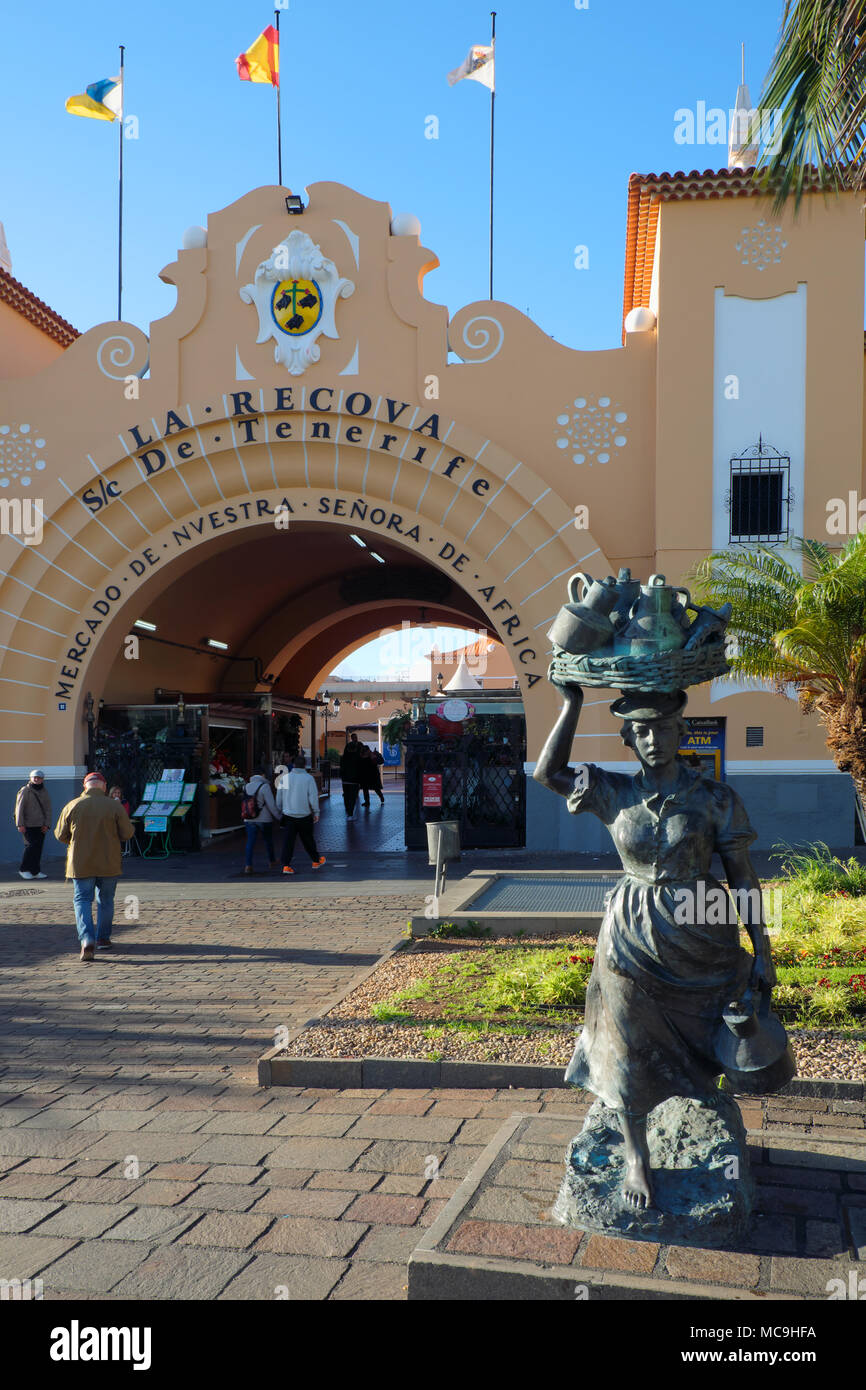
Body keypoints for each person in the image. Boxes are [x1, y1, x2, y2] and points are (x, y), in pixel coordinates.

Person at [533, 681, 778, 1213]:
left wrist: (763, 948)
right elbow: (546, 773)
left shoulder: (715, 798)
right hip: (629, 936)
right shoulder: (612, 791)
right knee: (622, 1042)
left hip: (701, 932)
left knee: (708, 1028)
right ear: (628, 737)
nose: (653, 739)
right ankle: (636, 1156)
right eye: (641, 730)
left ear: (680, 732)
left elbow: (744, 879)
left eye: (663, 728)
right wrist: (572, 703)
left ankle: (698, 1102)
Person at [54, 771, 135, 962]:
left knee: (82, 900)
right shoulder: (113, 806)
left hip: (81, 862)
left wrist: (76, 842)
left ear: (85, 786)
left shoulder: (73, 805)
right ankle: (103, 938)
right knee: (106, 900)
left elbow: (60, 835)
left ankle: (87, 939)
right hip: (109, 861)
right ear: (104, 787)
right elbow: (128, 833)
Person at [277, 754, 325, 874]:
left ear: (293, 765)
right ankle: (315, 861)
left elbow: (279, 798)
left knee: (288, 841)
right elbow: (313, 797)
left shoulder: (285, 778)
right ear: (304, 766)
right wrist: (316, 811)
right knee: (308, 839)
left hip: (288, 815)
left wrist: (280, 809)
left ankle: (286, 866)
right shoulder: (308, 779)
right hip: (304, 815)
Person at [14, 769, 52, 879]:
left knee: (38, 848)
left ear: (42, 779)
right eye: (34, 777)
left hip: (41, 825)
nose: (36, 779)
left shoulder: (44, 791)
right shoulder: (25, 790)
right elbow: (19, 808)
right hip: (28, 824)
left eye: (39, 778)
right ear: (30, 778)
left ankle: (35, 871)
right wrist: (20, 824)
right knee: (31, 847)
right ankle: (24, 869)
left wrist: (47, 824)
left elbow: (48, 809)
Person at [243, 767, 280, 874]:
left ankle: (248, 865)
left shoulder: (245, 786)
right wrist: (279, 817)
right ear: (263, 775)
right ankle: (272, 861)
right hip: (264, 819)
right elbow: (271, 805)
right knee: (268, 841)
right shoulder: (265, 786)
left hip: (249, 818)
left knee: (250, 842)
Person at [340, 733, 363, 818]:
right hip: (354, 779)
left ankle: (347, 809)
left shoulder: (344, 757)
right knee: (353, 796)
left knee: (346, 795)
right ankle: (350, 812)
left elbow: (341, 767)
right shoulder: (358, 757)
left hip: (345, 779)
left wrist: (342, 776)